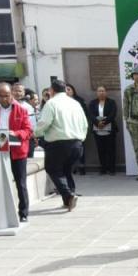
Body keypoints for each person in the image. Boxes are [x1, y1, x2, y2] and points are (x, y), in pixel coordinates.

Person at [0, 81, 34, 223]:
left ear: (12, 94)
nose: (5, 99)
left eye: (8, 95)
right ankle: (1, 211)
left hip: (17, 150)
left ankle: (23, 212)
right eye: (1, 96)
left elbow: (28, 131)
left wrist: (14, 133)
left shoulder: (21, 110)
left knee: (20, 182)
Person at [35, 79, 88, 212]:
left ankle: (69, 195)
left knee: (53, 169)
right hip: (77, 143)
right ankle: (69, 199)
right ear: (65, 90)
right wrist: (81, 139)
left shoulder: (51, 103)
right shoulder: (75, 103)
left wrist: (34, 133)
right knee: (66, 171)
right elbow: (85, 124)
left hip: (58, 144)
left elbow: (44, 123)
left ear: (51, 91)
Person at [88, 86, 119, 175]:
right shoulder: (92, 103)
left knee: (111, 150)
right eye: (99, 91)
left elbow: (113, 114)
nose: (101, 92)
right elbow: (90, 114)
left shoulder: (111, 102)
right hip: (97, 130)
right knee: (101, 150)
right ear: (96, 93)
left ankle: (112, 169)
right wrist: (97, 123)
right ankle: (103, 168)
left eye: (103, 91)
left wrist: (104, 123)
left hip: (109, 129)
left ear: (106, 92)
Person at [65, 83, 89, 175]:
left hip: (78, 128)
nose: (67, 91)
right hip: (67, 130)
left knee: (79, 148)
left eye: (69, 89)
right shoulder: (61, 102)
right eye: (65, 90)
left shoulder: (79, 101)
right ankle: (72, 167)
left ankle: (81, 167)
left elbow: (85, 115)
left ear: (73, 90)